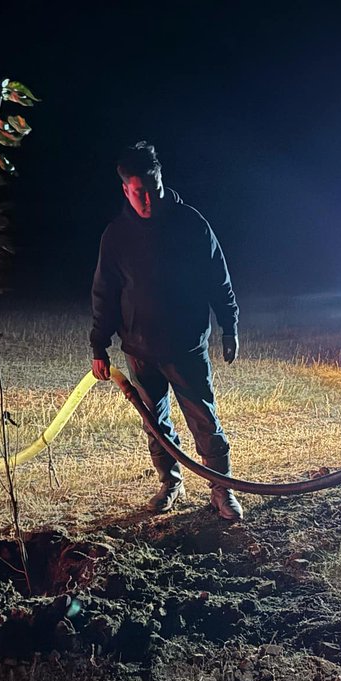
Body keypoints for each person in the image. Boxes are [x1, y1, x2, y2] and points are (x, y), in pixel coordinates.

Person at [89, 141, 244, 521]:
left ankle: (221, 489)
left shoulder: (192, 225)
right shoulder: (116, 236)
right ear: (125, 189)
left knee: (203, 419)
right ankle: (170, 481)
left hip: (187, 347)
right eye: (138, 193)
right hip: (139, 351)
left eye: (153, 190)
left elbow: (218, 280)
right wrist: (98, 344)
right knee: (155, 424)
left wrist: (229, 327)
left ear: (162, 181)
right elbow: (104, 292)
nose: (148, 200)